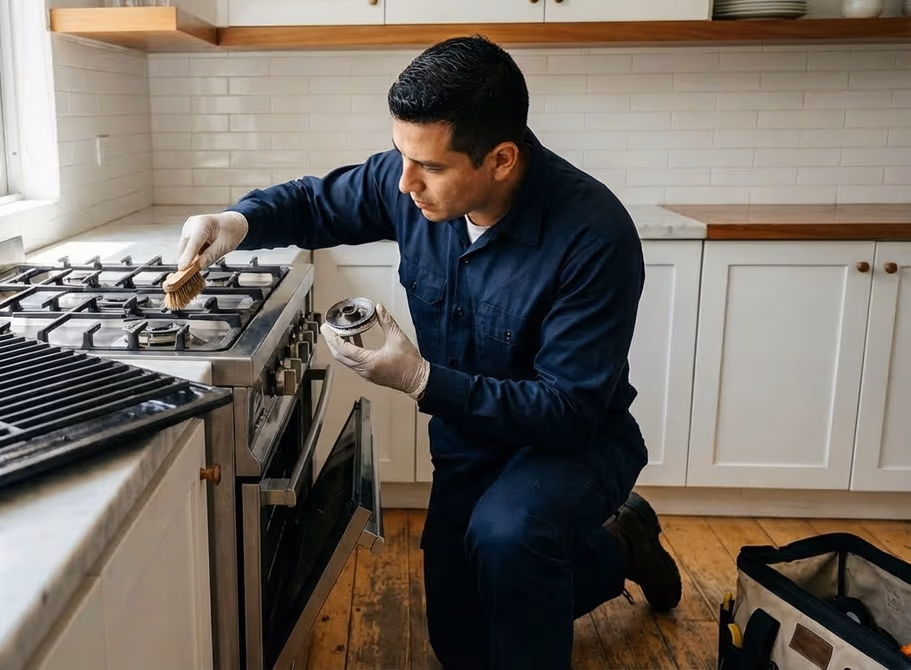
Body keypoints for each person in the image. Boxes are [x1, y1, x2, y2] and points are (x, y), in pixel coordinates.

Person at [174, 35, 683, 670]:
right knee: (462, 644)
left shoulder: (594, 236)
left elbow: (568, 410)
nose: (405, 182)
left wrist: (420, 380)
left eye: (431, 167)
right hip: (470, 443)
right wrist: (233, 224)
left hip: (572, 446)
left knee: (510, 536)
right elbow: (311, 202)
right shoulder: (414, 178)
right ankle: (621, 546)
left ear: (500, 159)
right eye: (400, 156)